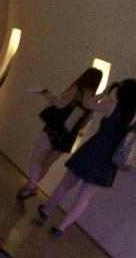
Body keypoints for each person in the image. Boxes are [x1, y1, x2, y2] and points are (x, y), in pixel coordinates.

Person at [37, 78, 136, 236]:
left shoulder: (112, 106)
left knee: (65, 185)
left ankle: (46, 212)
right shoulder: (134, 117)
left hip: (90, 152)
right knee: (84, 198)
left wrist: (104, 91)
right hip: (107, 162)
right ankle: (60, 229)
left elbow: (88, 104)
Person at [16, 67, 103, 199]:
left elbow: (60, 105)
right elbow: (85, 123)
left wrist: (47, 93)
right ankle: (28, 187)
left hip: (55, 128)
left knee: (37, 158)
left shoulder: (77, 89)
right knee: (47, 164)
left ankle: (32, 188)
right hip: (69, 135)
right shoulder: (92, 99)